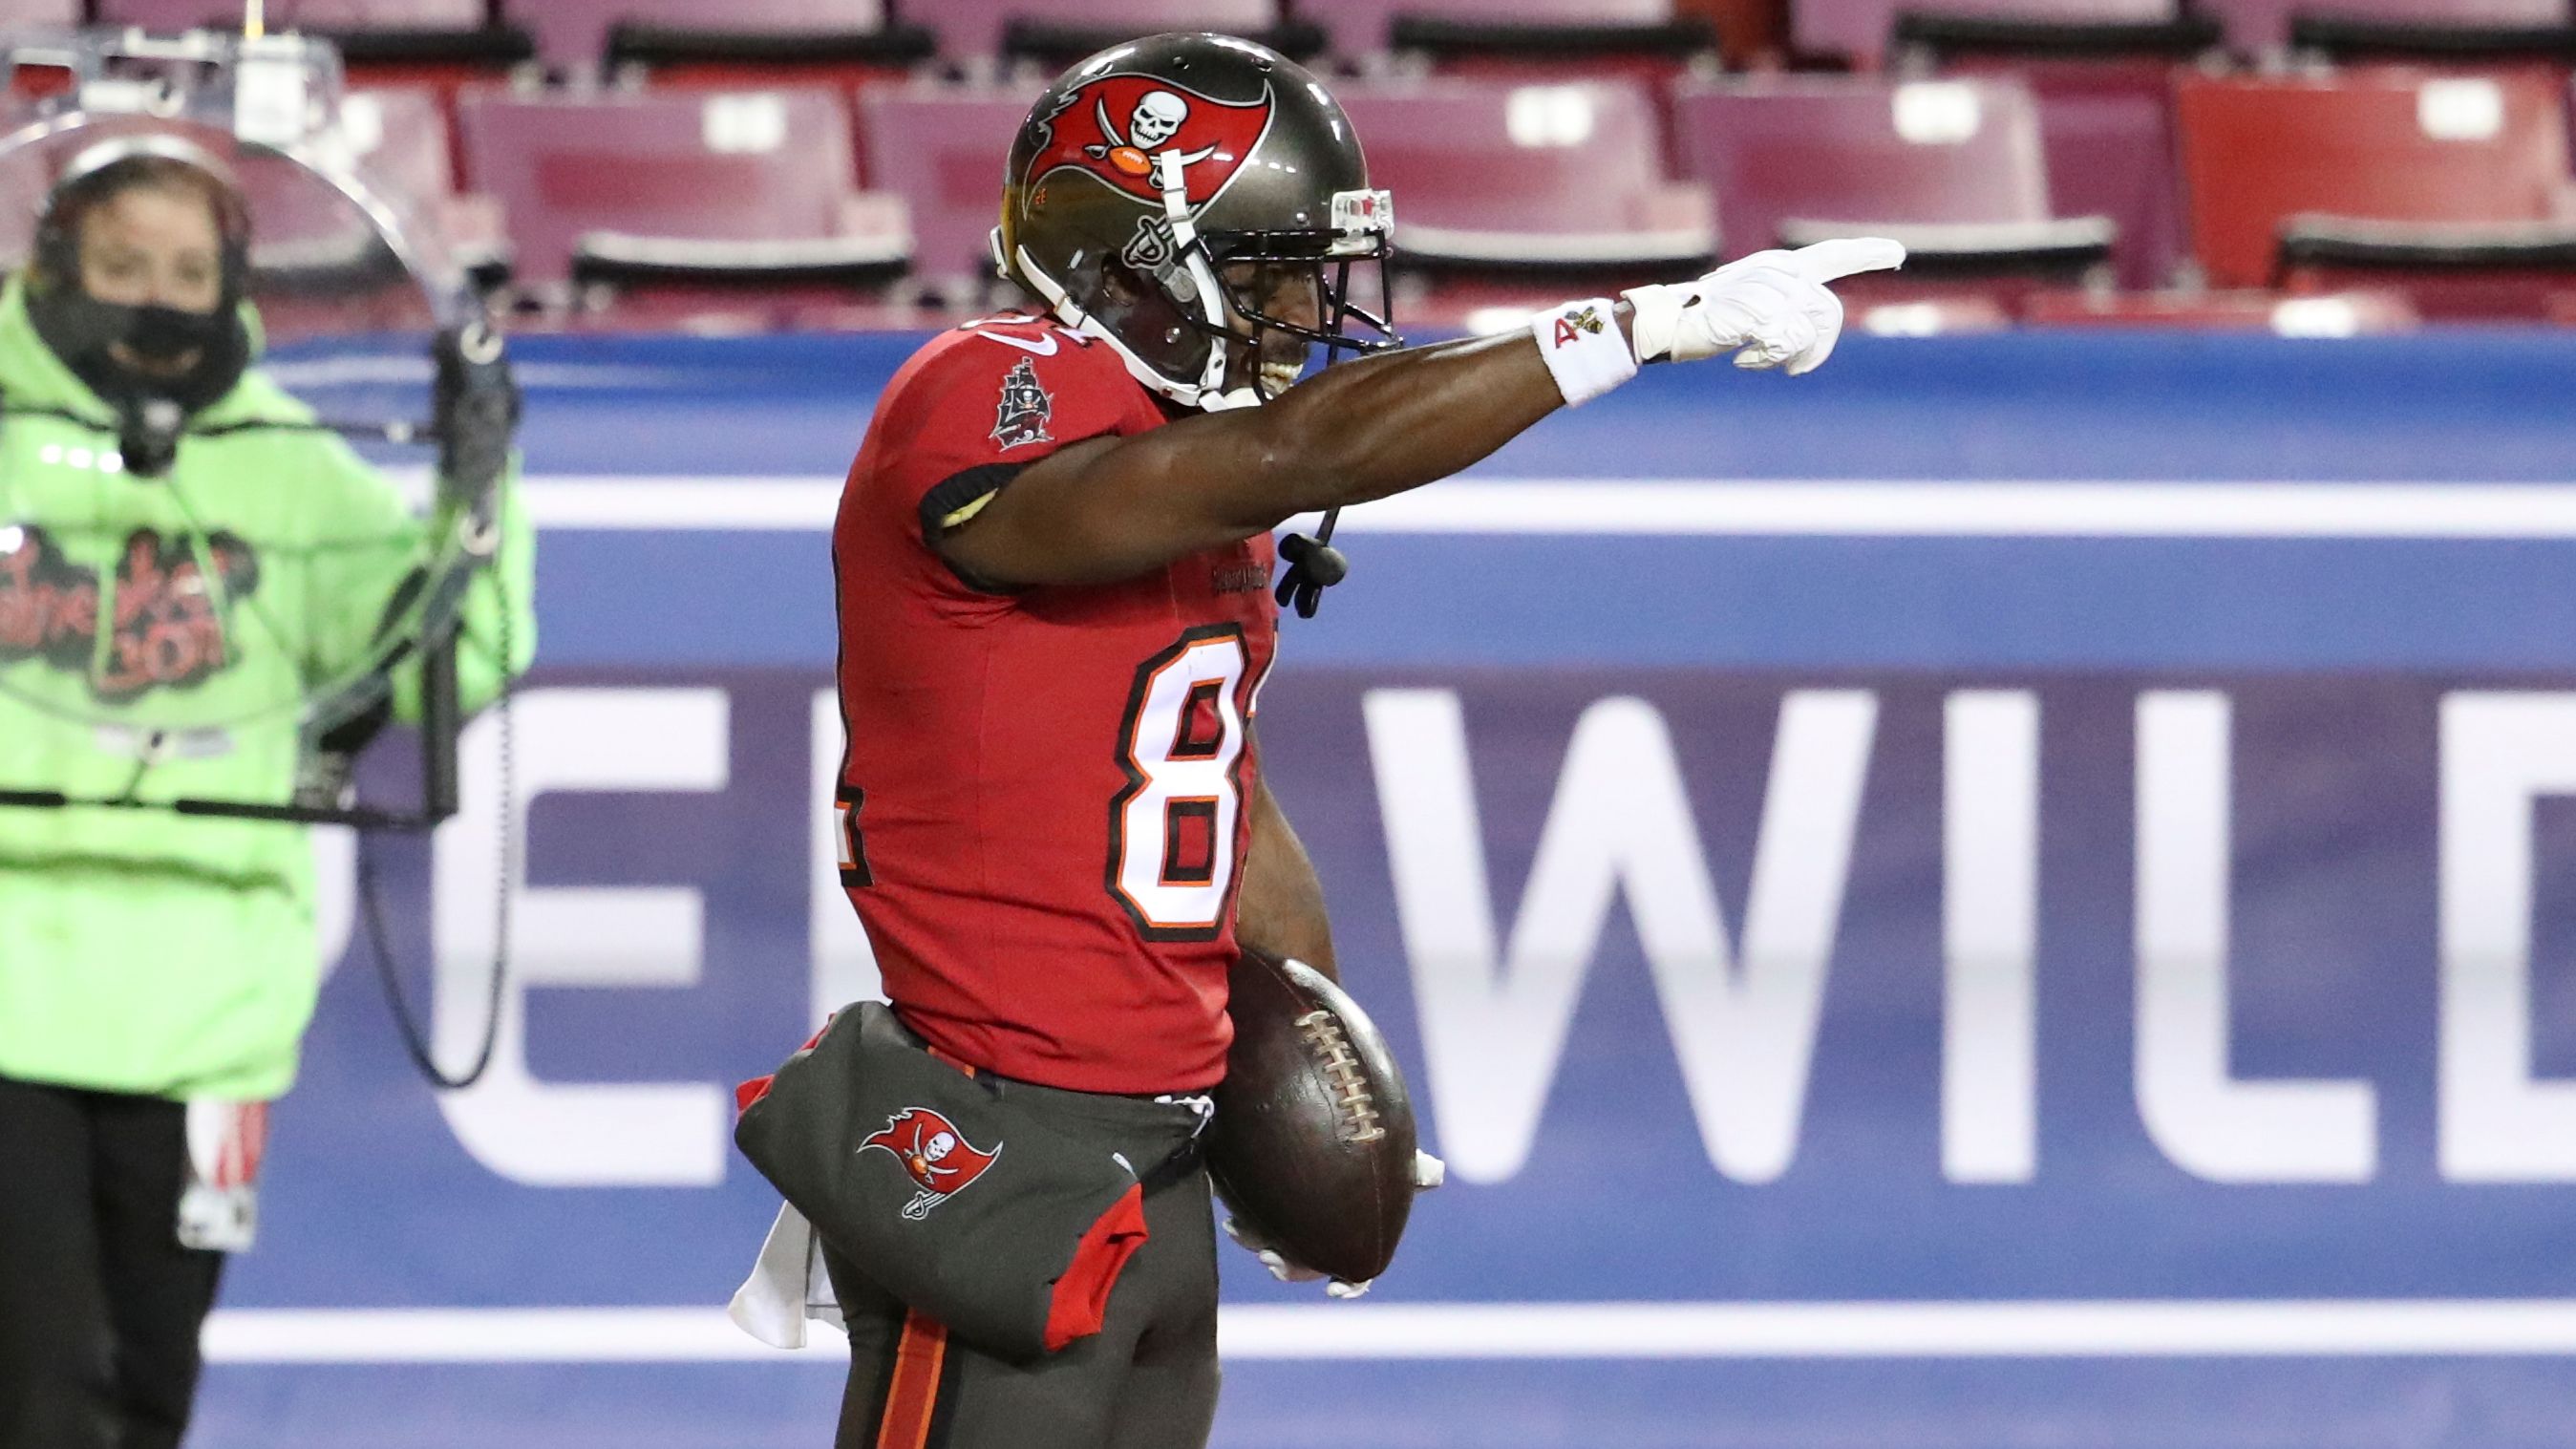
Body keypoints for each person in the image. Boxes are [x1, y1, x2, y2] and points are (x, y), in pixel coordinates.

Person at [798, 32, 1899, 1449]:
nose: (1294, 312)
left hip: (1156, 1150)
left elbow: (1221, 798)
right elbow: (1303, 450)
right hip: (997, 1143)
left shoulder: (1184, 465)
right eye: (1260, 272)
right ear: (1127, 258)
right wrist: (1634, 324)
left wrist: (1301, 1062)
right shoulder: (987, 387)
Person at [0, 135, 533, 1449]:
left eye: (189, 269)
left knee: (149, 1388)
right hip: (9, 994)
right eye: (122, 263)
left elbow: (455, 656)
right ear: (52, 262)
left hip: (211, 1005)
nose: (156, 297)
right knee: (39, 1387)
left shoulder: (288, 461)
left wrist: (485, 483)